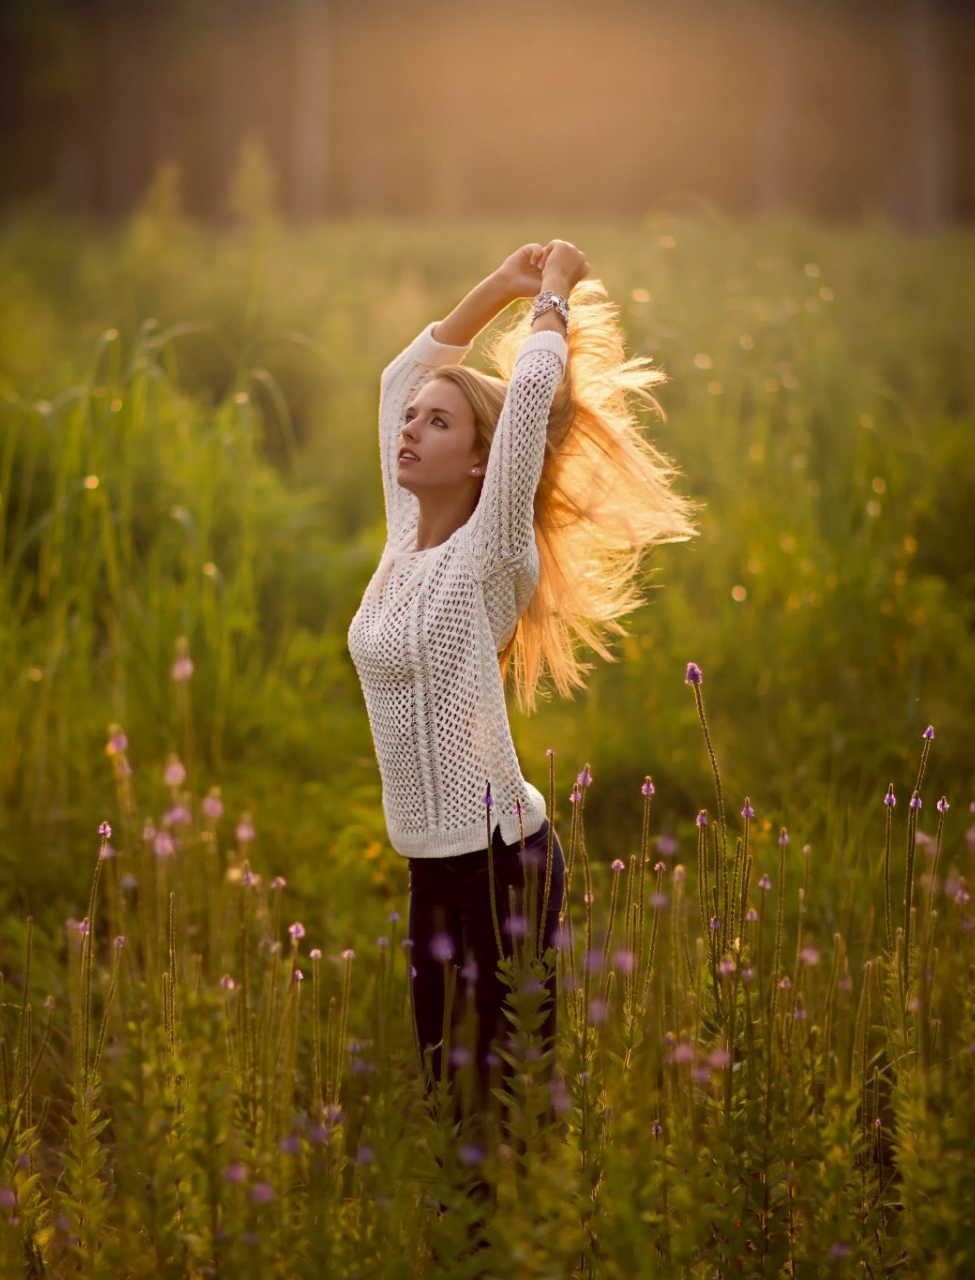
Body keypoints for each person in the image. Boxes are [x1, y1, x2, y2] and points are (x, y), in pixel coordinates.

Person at [345, 239, 700, 1228]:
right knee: (443, 1095)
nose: (412, 428)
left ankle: (552, 1246)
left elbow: (534, 393)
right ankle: (481, 1248)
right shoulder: (400, 546)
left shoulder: (489, 553)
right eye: (413, 422)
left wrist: (551, 297)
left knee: (510, 1108)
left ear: (478, 455)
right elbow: (395, 377)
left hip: (502, 860)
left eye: (439, 421)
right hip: (432, 866)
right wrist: (492, 289)